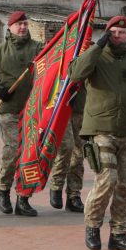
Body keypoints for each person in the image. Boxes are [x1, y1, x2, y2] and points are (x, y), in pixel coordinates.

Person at [68, 15, 126, 250]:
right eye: (113, 32)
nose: (118, 36)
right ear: (107, 34)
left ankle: (119, 234)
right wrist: (97, 46)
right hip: (99, 130)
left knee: (124, 185)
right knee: (107, 179)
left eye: (122, 32)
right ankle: (92, 226)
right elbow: (76, 74)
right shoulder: (96, 57)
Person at [0, 10, 43, 216]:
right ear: (10, 27)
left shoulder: (38, 49)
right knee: (13, 150)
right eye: (18, 24)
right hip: (10, 109)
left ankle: (23, 197)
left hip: (34, 111)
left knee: (31, 155)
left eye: (25, 23)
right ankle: (3, 190)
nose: (22, 27)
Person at [49, 75, 87, 213]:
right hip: (60, 106)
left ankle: (74, 195)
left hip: (81, 107)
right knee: (66, 147)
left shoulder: (89, 53)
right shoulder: (59, 54)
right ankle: (56, 186)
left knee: (79, 153)